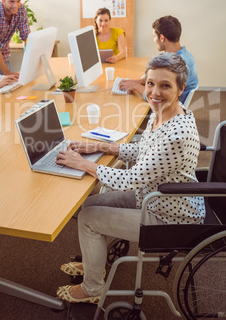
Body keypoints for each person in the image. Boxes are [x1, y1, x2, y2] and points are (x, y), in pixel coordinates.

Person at [55, 53, 205, 304]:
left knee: (89, 219)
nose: (154, 92)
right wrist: (100, 147)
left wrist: (82, 164)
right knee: (89, 205)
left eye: (165, 85)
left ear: (180, 89)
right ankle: (94, 263)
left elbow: (130, 179)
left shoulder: (176, 133)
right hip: (154, 196)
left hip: (170, 216)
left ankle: (93, 288)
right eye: (150, 83)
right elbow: (143, 150)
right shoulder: (164, 112)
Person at [119, 15, 198, 104]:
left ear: (162, 38)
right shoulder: (182, 55)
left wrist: (135, 86)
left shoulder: (180, 64)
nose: (154, 40)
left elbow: (158, 96)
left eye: (154, 36)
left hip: (170, 107)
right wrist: (136, 82)